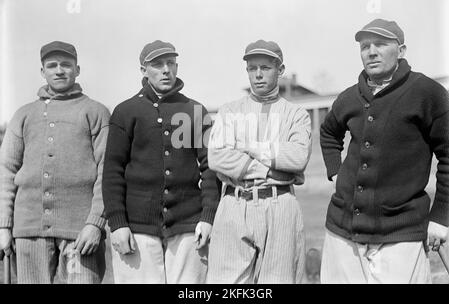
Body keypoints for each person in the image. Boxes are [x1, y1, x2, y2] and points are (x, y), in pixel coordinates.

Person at [320, 19, 449, 283]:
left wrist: (441, 217)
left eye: (380, 44)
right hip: (342, 230)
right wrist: (335, 171)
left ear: (401, 50)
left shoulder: (427, 93)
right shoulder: (349, 96)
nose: (371, 51)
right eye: (365, 46)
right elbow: (329, 132)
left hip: (401, 232)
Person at [102, 40, 219, 284]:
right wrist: (118, 224)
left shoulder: (193, 110)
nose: (166, 70)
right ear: (143, 70)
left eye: (171, 63)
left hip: (188, 226)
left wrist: (207, 218)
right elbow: (113, 172)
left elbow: (210, 168)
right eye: (157, 64)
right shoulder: (126, 112)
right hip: (137, 228)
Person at [0, 41, 110, 284]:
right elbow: (6, 171)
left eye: (66, 65)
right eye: (52, 65)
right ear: (43, 72)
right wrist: (4, 227)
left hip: (80, 233)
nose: (59, 70)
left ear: (77, 69)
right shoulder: (23, 115)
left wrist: (95, 224)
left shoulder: (96, 112)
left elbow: (108, 172)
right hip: (28, 232)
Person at [207, 40, 312, 283]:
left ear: (280, 70)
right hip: (235, 201)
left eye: (265, 67)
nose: (258, 74)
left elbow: (296, 157)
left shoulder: (296, 114)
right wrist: (270, 169)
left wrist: (249, 147)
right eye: (252, 68)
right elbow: (217, 157)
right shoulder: (229, 111)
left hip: (279, 203)